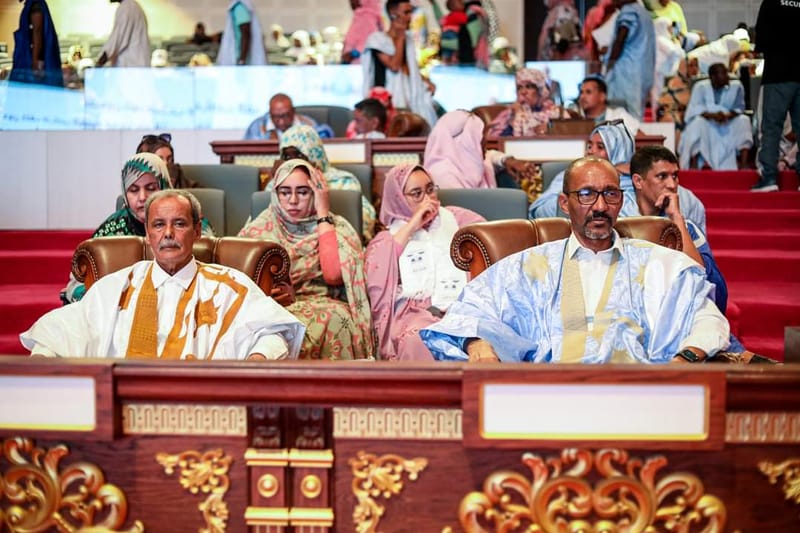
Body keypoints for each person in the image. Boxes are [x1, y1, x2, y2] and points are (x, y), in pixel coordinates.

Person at [420, 156, 730, 363]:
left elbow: (707, 317)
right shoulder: (529, 266)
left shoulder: (657, 264)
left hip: (637, 395)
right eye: (586, 194)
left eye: (610, 194)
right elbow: (467, 313)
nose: (600, 206)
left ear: (620, 200)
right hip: (551, 400)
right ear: (565, 204)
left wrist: (685, 359)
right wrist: (477, 345)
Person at [23, 190, 304, 360]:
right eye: (158, 225)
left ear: (197, 231)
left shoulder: (230, 285)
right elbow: (64, 329)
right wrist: (44, 357)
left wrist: (258, 359)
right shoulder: (117, 287)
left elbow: (274, 333)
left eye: (179, 224)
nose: (168, 233)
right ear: (148, 234)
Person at [238, 159, 374, 360]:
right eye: (285, 192)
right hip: (272, 307)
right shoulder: (258, 229)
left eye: (302, 192)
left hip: (323, 303)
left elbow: (334, 275)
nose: (293, 200)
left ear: (316, 194)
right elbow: (238, 283)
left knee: (336, 318)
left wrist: (322, 213)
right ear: (275, 194)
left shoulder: (337, 226)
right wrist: (265, 294)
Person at [366, 164, 484, 360]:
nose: (428, 199)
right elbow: (377, 273)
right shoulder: (387, 239)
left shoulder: (459, 219)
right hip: (414, 314)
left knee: (486, 336)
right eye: (416, 194)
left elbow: (490, 245)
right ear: (398, 199)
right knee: (417, 340)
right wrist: (413, 224)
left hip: (462, 305)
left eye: (430, 189)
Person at [529, 120, 707, 234]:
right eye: (589, 145)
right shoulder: (570, 175)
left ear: (619, 151)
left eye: (600, 147)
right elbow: (541, 210)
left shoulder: (645, 188)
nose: (591, 151)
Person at [274, 124, 377, 239]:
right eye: (287, 157)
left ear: (314, 154)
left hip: (334, 238)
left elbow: (363, 221)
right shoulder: (276, 184)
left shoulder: (343, 182)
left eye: (299, 155)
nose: (294, 161)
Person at [424, 110, 541, 196]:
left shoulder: (474, 161)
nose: (485, 142)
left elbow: (491, 155)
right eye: (478, 138)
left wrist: (507, 160)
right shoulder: (442, 175)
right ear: (465, 143)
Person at [362, 0, 438, 127]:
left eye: (410, 12)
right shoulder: (377, 39)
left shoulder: (408, 39)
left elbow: (407, 69)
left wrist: (425, 81)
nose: (410, 17)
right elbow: (394, 65)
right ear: (393, 14)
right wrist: (401, 35)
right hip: (387, 103)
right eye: (406, 12)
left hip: (409, 100)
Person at [751, 0, 800, 192]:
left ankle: (769, 178)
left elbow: (761, 41)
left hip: (778, 74)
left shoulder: (771, 2)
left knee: (771, 127)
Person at [679, 63, 753, 170]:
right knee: (696, 123)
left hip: (728, 122)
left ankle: (744, 162)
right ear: (713, 77)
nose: (727, 76)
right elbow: (694, 109)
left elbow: (739, 108)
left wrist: (727, 115)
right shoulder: (700, 87)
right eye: (723, 74)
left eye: (726, 73)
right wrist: (713, 116)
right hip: (708, 122)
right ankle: (694, 164)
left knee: (744, 120)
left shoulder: (736, 86)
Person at [604, 0, 655, 120]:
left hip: (625, 74)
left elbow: (621, 37)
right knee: (635, 115)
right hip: (642, 74)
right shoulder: (644, 13)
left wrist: (610, 63)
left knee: (618, 114)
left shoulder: (629, 11)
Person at [487, 68, 560, 137]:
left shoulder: (555, 113)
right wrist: (513, 119)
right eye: (519, 88)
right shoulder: (509, 113)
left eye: (529, 87)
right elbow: (495, 141)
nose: (523, 92)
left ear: (540, 90)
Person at [10, 0, 62, 87]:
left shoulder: (36, 5)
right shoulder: (34, 5)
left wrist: (35, 61)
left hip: (32, 60)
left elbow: (37, 32)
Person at [243, 93, 333, 140]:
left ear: (293, 111)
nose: (281, 121)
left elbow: (325, 139)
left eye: (285, 116)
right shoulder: (257, 126)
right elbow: (246, 152)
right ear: (270, 113)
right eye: (275, 117)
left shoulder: (307, 124)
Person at [575, 75, 640, 135]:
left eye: (588, 92)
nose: (582, 97)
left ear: (602, 96)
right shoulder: (574, 118)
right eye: (581, 92)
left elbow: (640, 135)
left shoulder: (619, 115)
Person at [96, 0, 150, 68]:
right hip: (137, 67)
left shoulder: (126, 7)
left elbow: (116, 41)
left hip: (131, 68)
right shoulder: (133, 6)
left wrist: (99, 64)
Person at [216, 0, 266, 65]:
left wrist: (242, 60)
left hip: (240, 59)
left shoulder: (240, 7)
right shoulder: (238, 6)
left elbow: (245, 34)